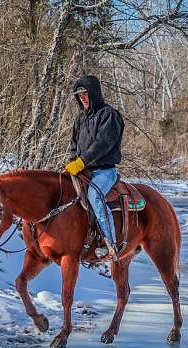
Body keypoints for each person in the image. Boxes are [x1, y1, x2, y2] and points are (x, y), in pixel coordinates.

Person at [65, 75, 124, 260]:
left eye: (85, 93)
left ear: (94, 93)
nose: (82, 97)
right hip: (83, 170)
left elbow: (103, 143)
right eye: (79, 94)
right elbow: (74, 143)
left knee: (94, 196)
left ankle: (110, 244)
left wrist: (82, 161)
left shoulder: (109, 115)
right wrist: (73, 161)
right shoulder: (80, 118)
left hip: (105, 171)